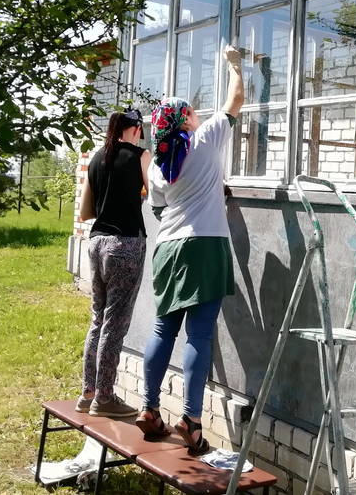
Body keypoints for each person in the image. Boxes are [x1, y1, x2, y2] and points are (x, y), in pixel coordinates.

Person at [135, 46, 244, 453]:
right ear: (185, 119)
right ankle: (192, 420)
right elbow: (235, 101)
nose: (198, 113)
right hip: (205, 245)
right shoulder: (204, 139)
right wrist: (234, 65)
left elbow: (159, 208)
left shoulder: (158, 165)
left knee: (164, 329)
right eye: (192, 110)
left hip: (168, 249)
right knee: (199, 333)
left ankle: (148, 408)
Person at [76, 108, 151, 417]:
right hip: (125, 244)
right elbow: (157, 194)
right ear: (134, 130)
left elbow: (85, 210)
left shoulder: (97, 157)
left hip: (96, 243)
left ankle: (88, 391)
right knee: (115, 324)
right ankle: (105, 397)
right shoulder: (140, 156)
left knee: (98, 319)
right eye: (141, 129)